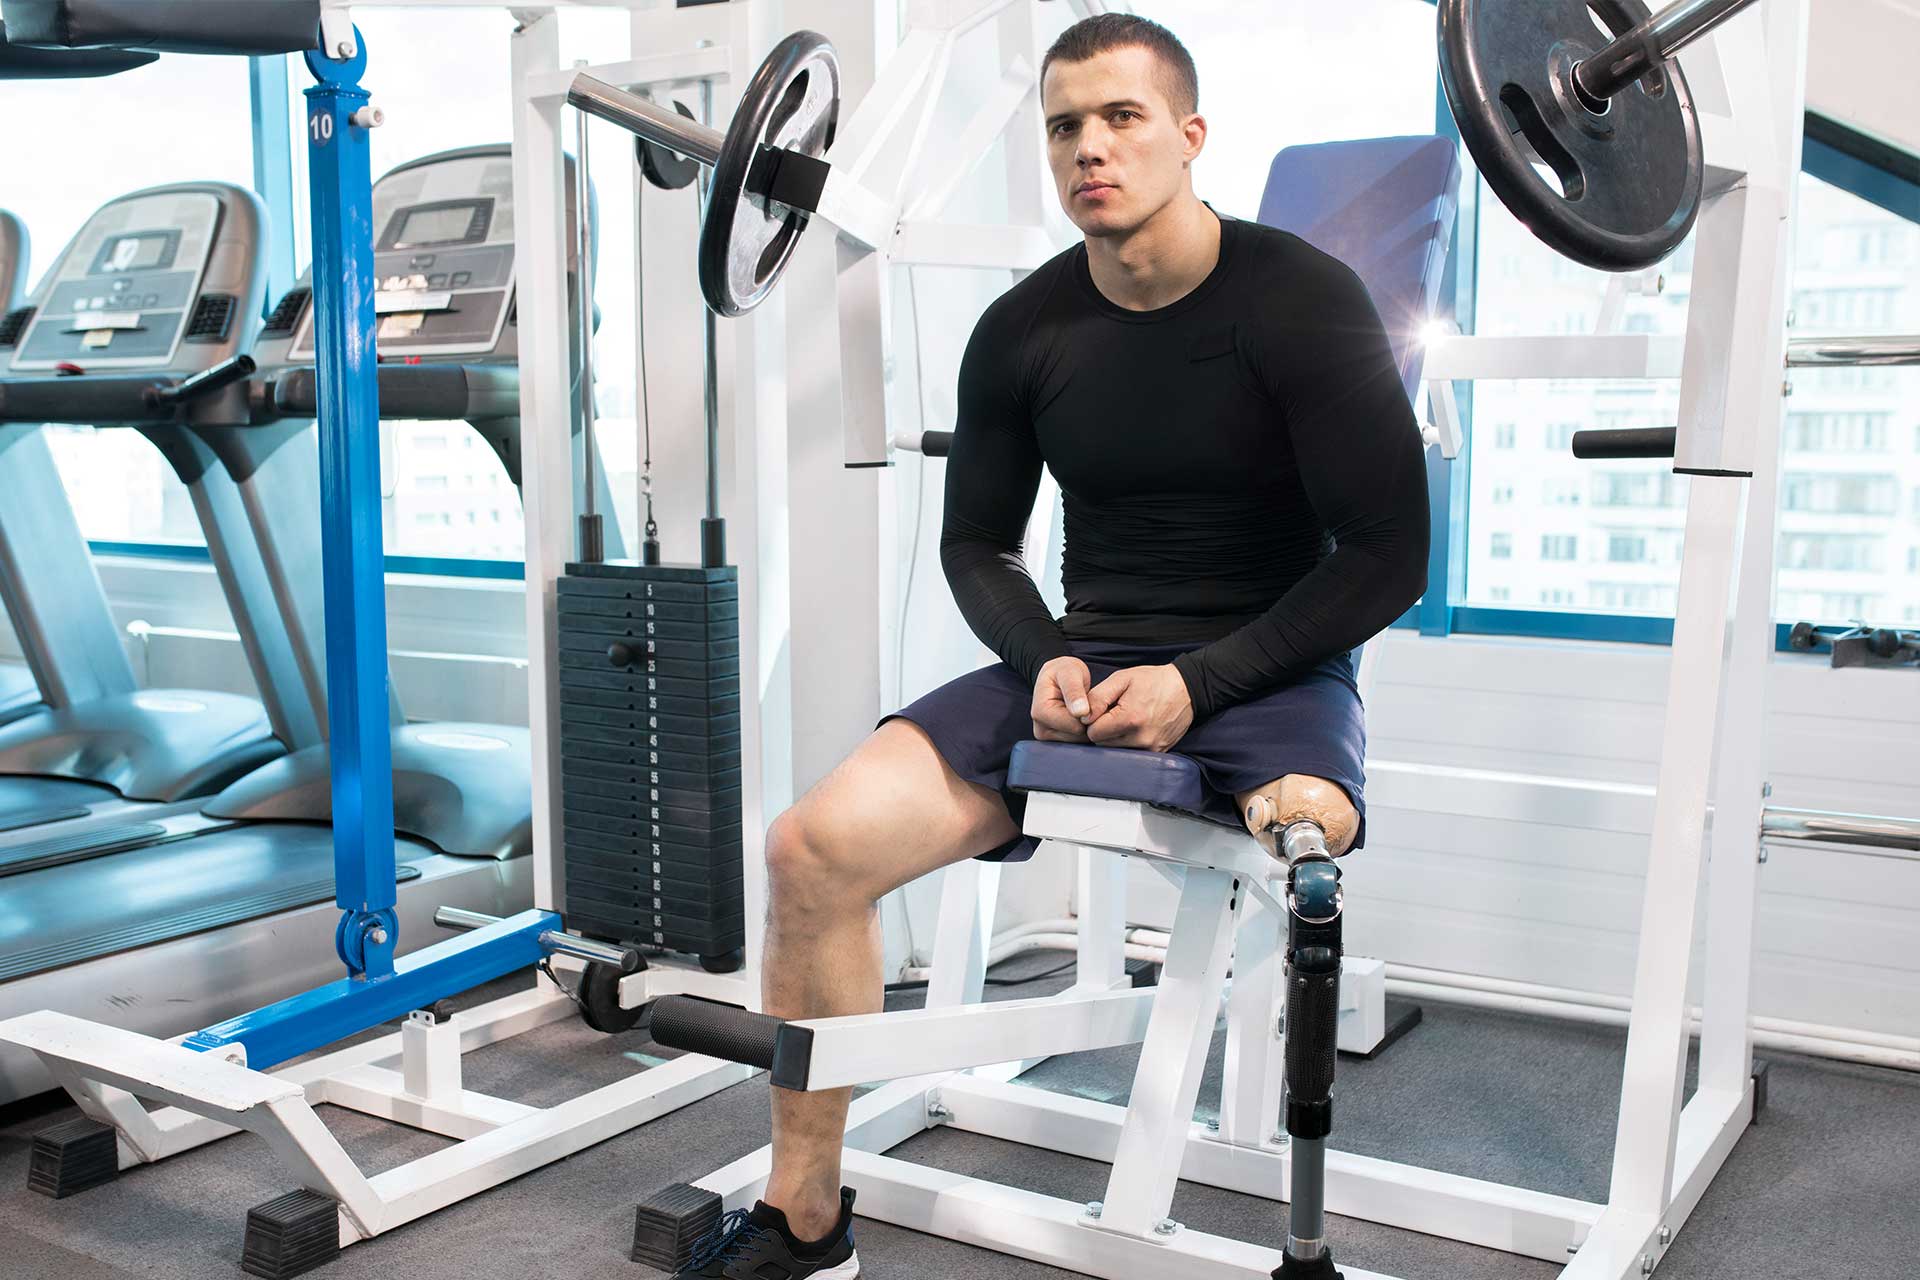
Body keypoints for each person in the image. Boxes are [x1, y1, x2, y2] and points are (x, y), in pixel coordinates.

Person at [672, 13, 1428, 1277]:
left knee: (1311, 840)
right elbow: (978, 542)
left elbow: (1390, 553)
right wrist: (1041, 658)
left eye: (1122, 117)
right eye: (1066, 125)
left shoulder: (1303, 299)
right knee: (811, 846)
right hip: (1083, 665)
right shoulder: (1022, 328)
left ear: (1190, 135)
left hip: (1271, 665)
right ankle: (803, 1217)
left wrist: (1201, 681)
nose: (1091, 147)